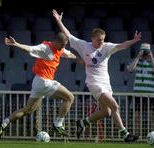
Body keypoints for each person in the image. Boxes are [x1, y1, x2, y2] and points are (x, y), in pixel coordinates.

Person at [52, 9, 142, 142]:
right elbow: (68, 35)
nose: (101, 42)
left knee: (107, 112)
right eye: (99, 40)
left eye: (103, 40)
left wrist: (134, 41)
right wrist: (59, 20)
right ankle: (126, 135)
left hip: (106, 83)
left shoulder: (106, 47)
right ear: (92, 38)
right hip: (94, 83)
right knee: (115, 106)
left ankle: (82, 123)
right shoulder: (83, 46)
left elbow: (123, 46)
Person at [0, 32, 77, 138]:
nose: (64, 46)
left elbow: (69, 54)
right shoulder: (45, 47)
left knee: (28, 110)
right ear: (56, 41)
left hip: (38, 82)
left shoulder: (60, 48)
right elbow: (30, 49)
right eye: (62, 44)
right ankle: (58, 124)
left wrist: (81, 59)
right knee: (70, 97)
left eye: (65, 45)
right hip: (44, 81)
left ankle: (3, 124)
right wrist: (16, 44)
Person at [127, 43, 154, 132]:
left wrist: (151, 59)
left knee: (152, 117)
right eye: (143, 52)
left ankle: (153, 135)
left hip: (152, 95)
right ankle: (137, 137)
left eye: (146, 52)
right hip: (138, 94)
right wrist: (138, 57)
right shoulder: (136, 61)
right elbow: (130, 69)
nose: (145, 54)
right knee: (136, 117)